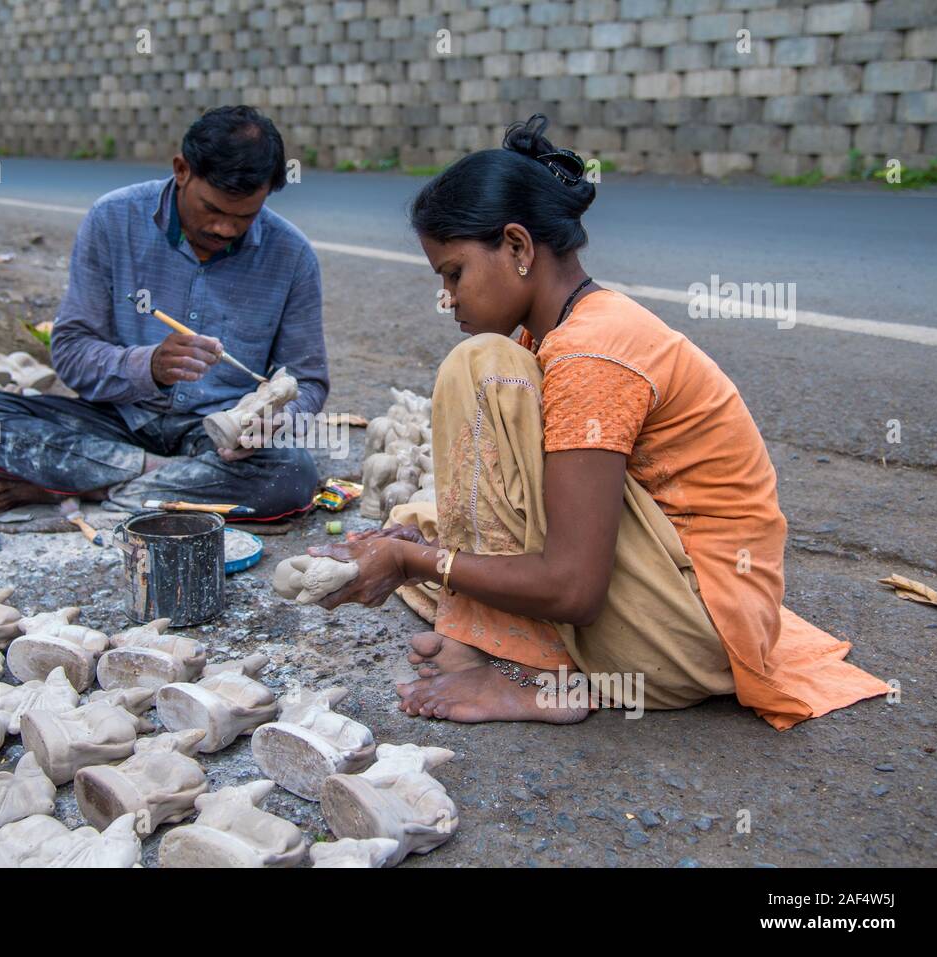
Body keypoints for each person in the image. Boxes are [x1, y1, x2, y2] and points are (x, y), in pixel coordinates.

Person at [309, 115, 889, 731]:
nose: (449, 297)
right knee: (416, 524)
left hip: (691, 636)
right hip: (680, 601)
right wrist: (424, 553)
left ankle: (533, 674)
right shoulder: (566, 331)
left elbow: (575, 589)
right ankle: (483, 629)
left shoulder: (590, 352)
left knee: (478, 374)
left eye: (454, 273)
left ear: (518, 247)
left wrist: (419, 566)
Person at [0, 106, 327, 519]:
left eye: (244, 217)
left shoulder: (291, 255)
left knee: (291, 477)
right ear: (181, 170)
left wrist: (270, 424)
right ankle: (158, 478)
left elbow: (308, 379)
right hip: (116, 418)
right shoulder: (112, 219)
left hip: (218, 439)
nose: (225, 229)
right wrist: (148, 366)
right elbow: (69, 351)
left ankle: (82, 482)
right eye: (212, 209)